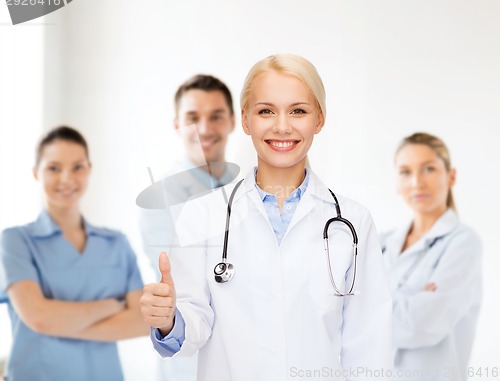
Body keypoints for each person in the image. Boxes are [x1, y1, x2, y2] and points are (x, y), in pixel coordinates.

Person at [140, 54, 393, 381]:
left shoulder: (353, 223)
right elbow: (193, 326)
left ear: (319, 119)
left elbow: (369, 347)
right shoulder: (203, 215)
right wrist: (168, 320)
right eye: (266, 111)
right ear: (245, 120)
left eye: (298, 111)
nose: (282, 126)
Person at [0, 126, 149, 381]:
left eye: (77, 167)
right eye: (54, 168)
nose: (67, 178)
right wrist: (110, 306)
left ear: (89, 170)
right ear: (36, 173)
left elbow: (142, 321)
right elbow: (39, 318)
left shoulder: (116, 243)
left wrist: (58, 323)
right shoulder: (16, 241)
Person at [380, 132, 482, 381]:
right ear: (396, 182)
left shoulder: (463, 243)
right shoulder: (381, 243)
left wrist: (365, 307)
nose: (416, 182)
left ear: (451, 176)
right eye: (405, 172)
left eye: (428, 169)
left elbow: (420, 325)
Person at [139, 74, 237, 273]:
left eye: (216, 117)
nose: (204, 129)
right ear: (177, 125)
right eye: (192, 118)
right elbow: (176, 279)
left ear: (233, 122)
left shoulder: (248, 187)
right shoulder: (160, 198)